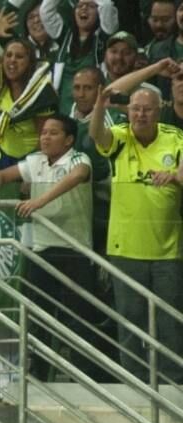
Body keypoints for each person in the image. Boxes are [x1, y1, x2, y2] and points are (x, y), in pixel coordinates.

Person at [0, 114, 96, 380]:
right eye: (43, 132)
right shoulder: (35, 161)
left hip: (74, 250)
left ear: (69, 140)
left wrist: (40, 200)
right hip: (41, 250)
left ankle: (82, 375)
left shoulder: (79, 159)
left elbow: (78, 176)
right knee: (38, 317)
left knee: (77, 318)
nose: (45, 137)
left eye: (53, 133)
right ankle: (38, 374)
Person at [89, 85, 183, 381]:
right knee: (130, 322)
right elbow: (95, 135)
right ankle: (134, 382)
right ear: (127, 111)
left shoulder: (175, 137)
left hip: (168, 251)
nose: (141, 114)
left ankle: (172, 383)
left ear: (159, 111)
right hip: (125, 248)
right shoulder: (119, 136)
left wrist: (176, 174)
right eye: (135, 108)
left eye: (147, 109)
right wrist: (101, 105)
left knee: (170, 323)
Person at [0, 10, 59, 167]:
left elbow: (44, 138)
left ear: (30, 63)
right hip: (2, 156)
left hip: (31, 158)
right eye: (8, 55)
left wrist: (33, 172)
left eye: (19, 57)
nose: (12, 61)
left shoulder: (41, 92)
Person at [39, 0, 119, 113]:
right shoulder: (65, 35)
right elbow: (45, 11)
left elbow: (107, 6)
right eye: (79, 5)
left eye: (90, 6)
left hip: (93, 110)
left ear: (99, 12)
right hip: (63, 109)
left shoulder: (104, 37)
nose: (83, 8)